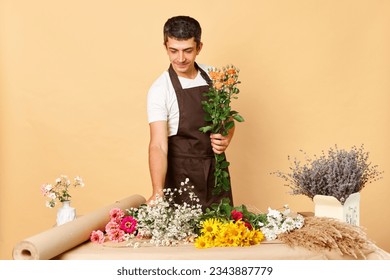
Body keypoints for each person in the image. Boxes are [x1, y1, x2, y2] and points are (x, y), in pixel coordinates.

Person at [146, 15, 235, 210]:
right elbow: (158, 145)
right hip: (182, 177)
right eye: (173, 51)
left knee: (225, 234)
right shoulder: (160, 89)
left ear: (199, 47)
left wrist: (226, 136)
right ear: (165, 47)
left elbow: (228, 120)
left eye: (187, 51)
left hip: (216, 173)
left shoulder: (213, 75)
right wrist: (157, 191)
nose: (180, 58)